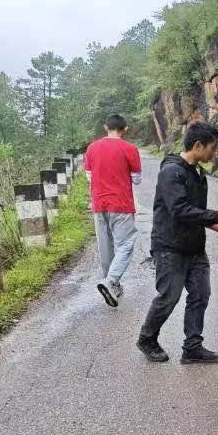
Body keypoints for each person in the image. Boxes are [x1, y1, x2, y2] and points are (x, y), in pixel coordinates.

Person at [137, 122, 218, 364]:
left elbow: (195, 212)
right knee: (169, 297)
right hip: (170, 247)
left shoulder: (197, 173)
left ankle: (193, 347)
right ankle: (147, 338)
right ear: (198, 145)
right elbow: (179, 210)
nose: (214, 153)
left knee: (200, 294)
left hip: (194, 247)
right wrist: (217, 215)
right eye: (212, 148)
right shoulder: (171, 172)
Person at [84, 114, 141, 308]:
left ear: (105, 127)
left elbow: (89, 176)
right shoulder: (130, 149)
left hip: (99, 203)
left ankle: (113, 284)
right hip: (121, 204)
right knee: (126, 244)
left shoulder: (92, 147)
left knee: (105, 246)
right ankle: (110, 281)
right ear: (125, 128)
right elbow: (137, 179)